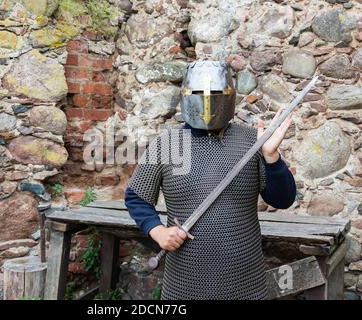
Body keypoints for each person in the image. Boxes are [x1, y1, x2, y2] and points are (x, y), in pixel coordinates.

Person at [124, 59, 297, 300]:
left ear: (229, 96)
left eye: (216, 92)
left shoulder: (252, 141)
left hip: (245, 281)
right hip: (185, 282)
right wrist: (158, 231)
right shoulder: (168, 143)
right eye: (198, 93)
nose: (207, 101)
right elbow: (136, 197)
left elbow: (283, 199)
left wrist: (271, 156)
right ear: (186, 95)